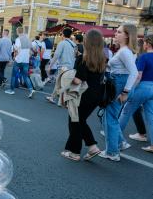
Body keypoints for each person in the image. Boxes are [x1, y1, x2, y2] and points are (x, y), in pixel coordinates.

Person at [60, 29, 106, 161]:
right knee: (81, 120)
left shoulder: (83, 58)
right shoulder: (102, 58)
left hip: (83, 95)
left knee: (74, 121)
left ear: (87, 42)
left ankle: (75, 152)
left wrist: (66, 73)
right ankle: (92, 147)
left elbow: (78, 80)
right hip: (97, 95)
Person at [99, 24, 139, 162]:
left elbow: (133, 72)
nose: (115, 34)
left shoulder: (124, 52)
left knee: (109, 117)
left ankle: (112, 152)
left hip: (120, 84)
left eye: (119, 32)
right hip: (121, 83)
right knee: (112, 116)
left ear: (127, 35)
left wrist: (125, 91)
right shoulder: (126, 50)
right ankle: (121, 143)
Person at [118, 34, 153, 153]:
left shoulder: (144, 57)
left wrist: (128, 90)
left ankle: (115, 136)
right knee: (150, 117)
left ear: (147, 43)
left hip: (143, 87)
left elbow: (138, 76)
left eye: (144, 42)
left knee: (126, 111)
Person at [46, 28, 77, 104]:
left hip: (63, 66)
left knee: (59, 83)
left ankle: (60, 99)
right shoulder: (74, 45)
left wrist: (50, 65)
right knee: (62, 83)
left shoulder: (62, 43)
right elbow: (75, 56)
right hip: (71, 66)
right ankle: (54, 97)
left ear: (63, 34)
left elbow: (56, 55)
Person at [5, 27, 35, 98]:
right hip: (26, 60)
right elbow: (32, 50)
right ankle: (31, 89)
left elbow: (16, 49)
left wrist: (15, 57)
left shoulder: (18, 39)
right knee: (25, 76)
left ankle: (11, 90)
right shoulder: (28, 39)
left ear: (17, 32)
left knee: (13, 75)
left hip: (19, 60)